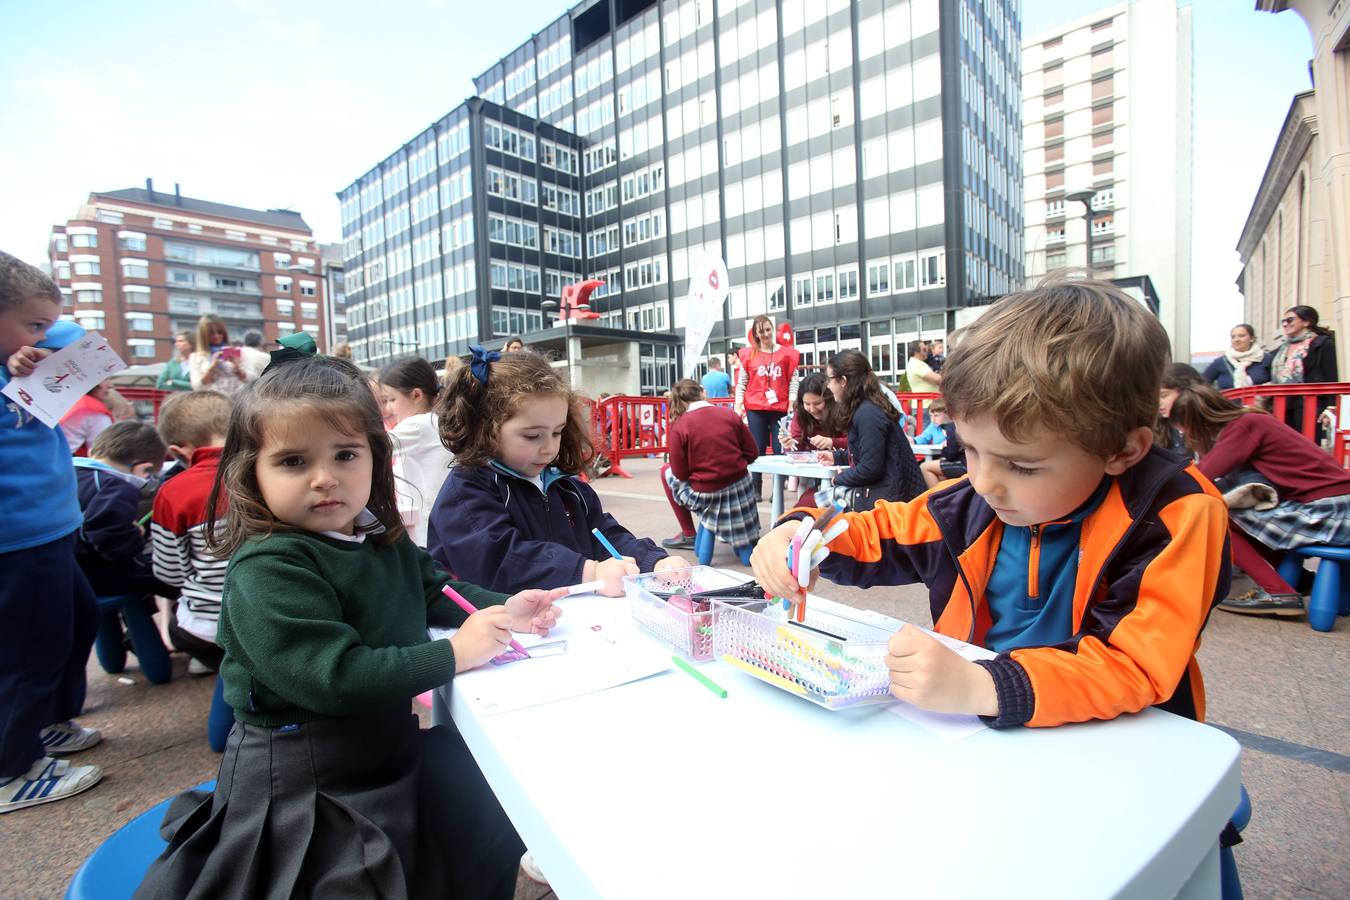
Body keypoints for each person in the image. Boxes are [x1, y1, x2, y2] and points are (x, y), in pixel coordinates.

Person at [136, 353, 565, 899]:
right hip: (306, 777)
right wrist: (455, 653)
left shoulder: (375, 535)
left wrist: (507, 608)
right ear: (251, 472)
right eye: (293, 461)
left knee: (486, 809)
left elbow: (434, 591)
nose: (325, 479)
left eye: (345, 454)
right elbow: (333, 677)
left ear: (375, 458)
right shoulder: (269, 566)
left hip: (381, 746)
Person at [750, 279, 1231, 728]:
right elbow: (876, 531)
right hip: (986, 733)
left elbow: (1132, 663)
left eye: (1021, 465)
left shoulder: (1174, 514)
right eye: (971, 450)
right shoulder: (968, 505)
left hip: (1130, 745)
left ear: (1121, 451)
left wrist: (984, 686)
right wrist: (801, 533)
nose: (983, 483)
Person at [428, 346, 686, 596]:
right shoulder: (466, 490)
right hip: (495, 620)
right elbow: (500, 560)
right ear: (484, 428)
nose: (549, 448)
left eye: (557, 432)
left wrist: (652, 562)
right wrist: (588, 572)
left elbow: (603, 533)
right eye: (532, 436)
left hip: (567, 615)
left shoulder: (565, 486)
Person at [0, 251, 103, 813]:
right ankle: (12, 769)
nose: (43, 335)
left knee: (77, 621)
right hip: (17, 540)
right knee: (28, 653)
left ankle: (44, 725)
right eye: (32, 324)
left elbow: (81, 337)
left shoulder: (27, 361)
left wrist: (38, 342)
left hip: (49, 532)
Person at [1169, 382, 1350, 616]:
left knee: (1216, 517)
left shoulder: (1245, 426)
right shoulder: (1252, 421)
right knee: (1237, 518)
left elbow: (1203, 475)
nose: (1185, 435)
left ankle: (1278, 592)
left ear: (1198, 421)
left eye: (1184, 428)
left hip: (1330, 509)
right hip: (1334, 503)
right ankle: (1297, 580)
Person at [151, 390, 234, 673]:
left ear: (178, 452)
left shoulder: (173, 492)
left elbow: (170, 573)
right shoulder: (270, 471)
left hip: (210, 627)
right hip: (277, 613)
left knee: (180, 625)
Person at [658, 379, 761, 553]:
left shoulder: (680, 425)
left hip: (706, 493)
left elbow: (680, 473)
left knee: (665, 471)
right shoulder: (729, 414)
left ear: (680, 401)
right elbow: (752, 452)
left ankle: (689, 533)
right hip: (740, 488)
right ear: (703, 392)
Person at [73, 422, 170, 599]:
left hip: (64, 568)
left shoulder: (70, 472)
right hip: (90, 575)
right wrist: (136, 535)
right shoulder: (117, 488)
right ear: (143, 468)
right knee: (169, 577)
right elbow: (110, 538)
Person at [823, 350, 925, 510]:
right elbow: (871, 453)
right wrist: (836, 457)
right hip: (891, 495)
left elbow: (870, 469)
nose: (828, 385)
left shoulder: (867, 413)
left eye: (829, 379)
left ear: (843, 381)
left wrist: (839, 478)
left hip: (890, 503)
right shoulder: (868, 407)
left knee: (819, 505)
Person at [379, 357, 454, 547]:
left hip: (425, 524)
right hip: (440, 519)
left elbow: (375, 447)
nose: (388, 408)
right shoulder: (435, 421)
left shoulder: (417, 425)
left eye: (391, 399)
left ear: (416, 395)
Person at [735, 315, 801, 498]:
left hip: (780, 408)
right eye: (761, 331)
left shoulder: (787, 354)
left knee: (781, 448)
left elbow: (793, 380)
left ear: (772, 329)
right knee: (757, 448)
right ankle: (756, 487)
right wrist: (738, 403)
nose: (765, 334)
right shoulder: (748, 355)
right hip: (755, 407)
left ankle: (777, 489)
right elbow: (742, 382)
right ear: (755, 334)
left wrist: (792, 401)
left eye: (768, 329)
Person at [781, 372, 848, 510]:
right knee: (805, 490)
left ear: (829, 399)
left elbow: (854, 442)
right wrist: (790, 444)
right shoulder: (800, 414)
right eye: (807, 404)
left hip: (841, 470)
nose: (812, 409)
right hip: (811, 471)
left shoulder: (842, 412)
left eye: (817, 403)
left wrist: (832, 442)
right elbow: (796, 446)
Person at [1271, 304, 1338, 435]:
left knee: (1308, 443)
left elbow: (1331, 376)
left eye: (1290, 320)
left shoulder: (1322, 343)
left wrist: (1331, 407)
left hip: (1309, 405)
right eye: (1283, 321)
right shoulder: (1281, 348)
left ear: (1306, 322)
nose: (1285, 324)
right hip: (1283, 405)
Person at [188, 315, 248, 397]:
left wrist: (237, 367)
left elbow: (250, 380)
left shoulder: (236, 352)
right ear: (203, 335)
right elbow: (197, 386)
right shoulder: (195, 357)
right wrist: (213, 367)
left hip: (238, 399)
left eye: (220, 332)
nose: (216, 336)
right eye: (211, 333)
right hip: (213, 400)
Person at [1203, 323, 1272, 390]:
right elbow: (1202, 385)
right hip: (1229, 398)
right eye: (1233, 337)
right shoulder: (1221, 362)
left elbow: (1276, 381)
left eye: (1241, 336)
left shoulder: (1266, 358)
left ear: (1252, 338)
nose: (1236, 340)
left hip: (1261, 398)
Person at [1156, 363, 1204, 455]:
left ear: (1186, 392)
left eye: (1164, 395)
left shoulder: (1209, 428)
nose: (1158, 403)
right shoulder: (1160, 428)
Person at [917, 401, 967, 490]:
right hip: (964, 461)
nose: (933, 419)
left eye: (936, 415)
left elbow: (950, 453)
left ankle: (937, 496)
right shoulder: (935, 427)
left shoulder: (952, 427)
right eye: (931, 416)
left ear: (947, 414)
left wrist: (944, 448)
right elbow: (923, 437)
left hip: (962, 463)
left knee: (924, 467)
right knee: (938, 477)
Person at [59, 380, 115, 455]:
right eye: (105, 379)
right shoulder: (95, 412)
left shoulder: (61, 399)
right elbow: (100, 451)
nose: (110, 385)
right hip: (65, 457)